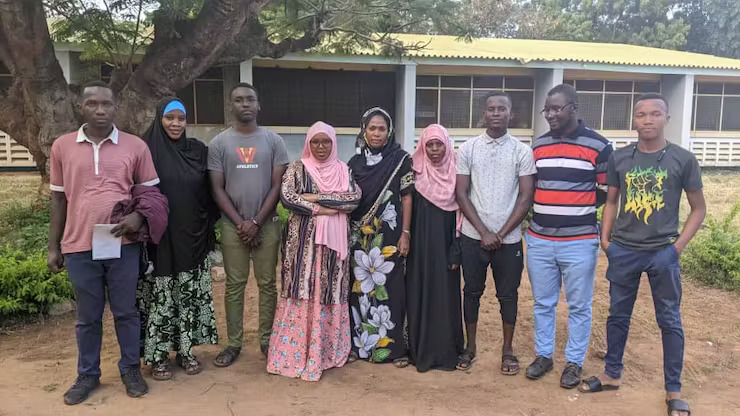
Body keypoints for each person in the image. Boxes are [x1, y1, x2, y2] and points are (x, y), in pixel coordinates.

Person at [579, 93, 705, 416]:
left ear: (667, 118)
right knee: (617, 316)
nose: (648, 120)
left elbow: (698, 209)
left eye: (655, 114)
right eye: (641, 114)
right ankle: (612, 374)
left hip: (662, 253)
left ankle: (673, 390)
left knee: (669, 320)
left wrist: (676, 248)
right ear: (633, 120)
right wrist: (606, 240)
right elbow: (611, 201)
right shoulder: (620, 158)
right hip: (624, 251)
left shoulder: (683, 159)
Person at [48, 81, 160, 405]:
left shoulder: (135, 146)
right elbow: (58, 199)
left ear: (115, 107)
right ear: (80, 107)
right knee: (88, 316)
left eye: (106, 104)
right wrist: (54, 246)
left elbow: (151, 194)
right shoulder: (62, 146)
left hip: (122, 244)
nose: (100, 110)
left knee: (126, 312)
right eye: (92, 104)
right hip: (79, 245)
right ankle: (88, 374)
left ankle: (130, 369)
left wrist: (138, 218)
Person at [524, 84, 613, 388]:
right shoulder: (538, 146)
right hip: (540, 240)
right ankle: (543, 356)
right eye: (546, 109)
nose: (550, 114)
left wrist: (575, 205)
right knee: (543, 303)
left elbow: (606, 192)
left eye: (556, 108)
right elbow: (533, 187)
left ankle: (574, 362)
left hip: (579, 242)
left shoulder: (599, 146)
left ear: (574, 108)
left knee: (579, 305)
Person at [267, 121, 362, 381]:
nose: (321, 147)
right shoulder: (297, 168)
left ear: (333, 143)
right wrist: (323, 209)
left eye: (326, 141)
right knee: (301, 288)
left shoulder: (344, 169)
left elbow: (353, 199)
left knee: (330, 290)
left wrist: (314, 197)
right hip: (302, 245)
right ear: (308, 143)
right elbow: (288, 197)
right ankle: (295, 352)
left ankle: (327, 352)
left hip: (334, 248)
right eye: (315, 142)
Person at [137, 97, 219, 380]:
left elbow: (210, 191)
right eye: (169, 118)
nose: (176, 124)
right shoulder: (146, 150)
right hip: (158, 239)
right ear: (159, 119)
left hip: (192, 236)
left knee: (187, 293)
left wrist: (206, 228)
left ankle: (186, 350)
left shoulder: (197, 150)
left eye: (181, 119)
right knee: (160, 296)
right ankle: (158, 356)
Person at [208, 83, 289, 367]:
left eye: (250, 99)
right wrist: (242, 223)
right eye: (239, 100)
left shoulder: (274, 141)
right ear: (230, 105)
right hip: (233, 225)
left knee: (267, 284)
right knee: (234, 285)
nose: (245, 104)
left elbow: (278, 185)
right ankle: (233, 344)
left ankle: (267, 341)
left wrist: (256, 221)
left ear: (258, 105)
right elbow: (217, 188)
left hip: (267, 223)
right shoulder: (219, 143)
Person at [455, 92, 536, 373]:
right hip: (472, 237)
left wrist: (500, 234)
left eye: (502, 109)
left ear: (511, 114)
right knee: (471, 292)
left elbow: (526, 196)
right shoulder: (468, 149)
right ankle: (470, 347)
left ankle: (507, 350)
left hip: (509, 240)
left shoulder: (522, 151)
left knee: (508, 295)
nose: (497, 113)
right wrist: (483, 231)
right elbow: (461, 193)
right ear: (484, 114)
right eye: (492, 109)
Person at [347, 107, 414, 367]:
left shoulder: (401, 159)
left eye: (382, 129)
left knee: (391, 288)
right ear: (364, 131)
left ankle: (393, 349)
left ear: (389, 132)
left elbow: (407, 197)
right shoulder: (354, 164)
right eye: (372, 128)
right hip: (359, 236)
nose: (377, 133)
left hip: (389, 235)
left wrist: (405, 233)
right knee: (360, 289)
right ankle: (360, 347)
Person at [406, 124, 464, 372]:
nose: (434, 149)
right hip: (419, 248)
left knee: (445, 295)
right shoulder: (415, 171)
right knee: (419, 292)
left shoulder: (457, 172)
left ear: (447, 145)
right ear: (422, 146)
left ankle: (446, 352)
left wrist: (456, 248)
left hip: (446, 246)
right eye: (429, 144)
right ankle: (419, 350)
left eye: (439, 144)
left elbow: (461, 212)